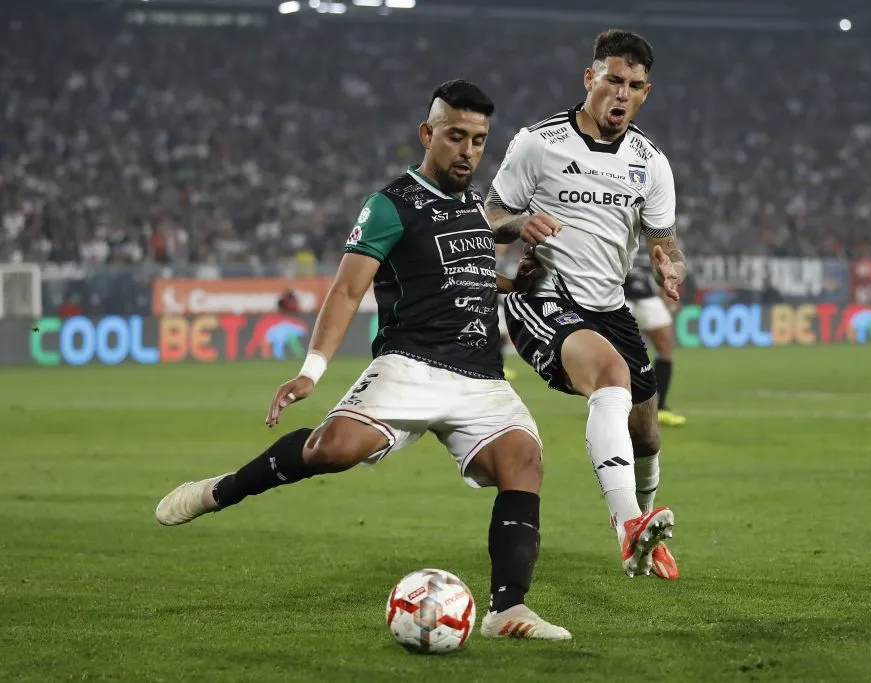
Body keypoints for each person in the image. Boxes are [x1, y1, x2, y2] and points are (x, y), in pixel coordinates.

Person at [155, 80, 571, 641]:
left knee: (524, 462)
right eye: (455, 136)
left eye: (478, 139)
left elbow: (464, 276)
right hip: (410, 364)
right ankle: (220, 490)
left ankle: (508, 608)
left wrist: (513, 275)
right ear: (428, 134)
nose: (468, 150)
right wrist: (312, 371)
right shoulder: (390, 206)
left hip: (479, 374)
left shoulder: (475, 206)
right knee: (332, 450)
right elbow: (348, 291)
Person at [484, 29, 685, 580]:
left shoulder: (652, 163)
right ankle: (628, 528)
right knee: (611, 374)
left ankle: (642, 526)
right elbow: (487, 216)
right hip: (543, 298)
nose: (622, 94)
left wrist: (670, 264)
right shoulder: (538, 143)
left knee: (645, 433)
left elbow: (666, 243)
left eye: (635, 86)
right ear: (590, 78)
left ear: (646, 93)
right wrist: (519, 223)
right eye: (614, 80)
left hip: (610, 307)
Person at [623, 243, 686, 427]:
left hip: (648, 296)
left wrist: (666, 291)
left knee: (666, 345)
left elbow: (665, 261)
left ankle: (660, 406)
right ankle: (620, 406)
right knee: (618, 351)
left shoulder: (654, 228)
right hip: (619, 294)